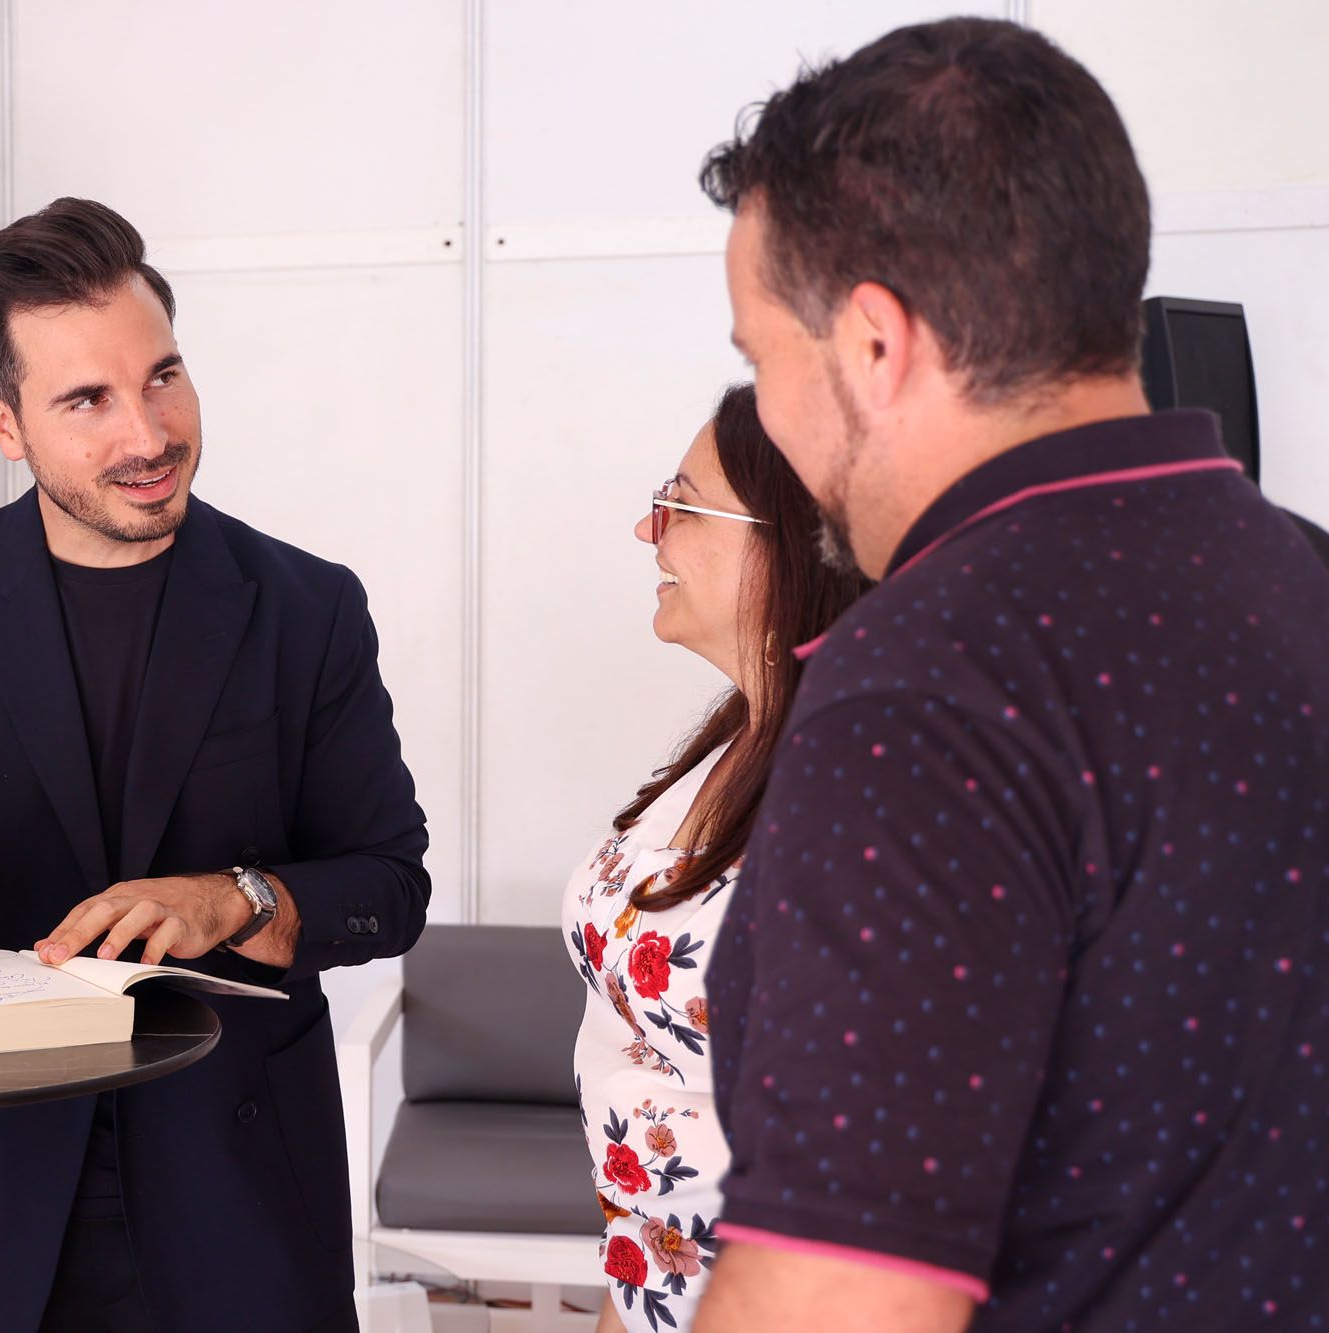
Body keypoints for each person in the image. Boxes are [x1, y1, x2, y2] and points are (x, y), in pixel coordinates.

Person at [689, 17, 1329, 1331]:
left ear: (875, 340)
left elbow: (836, 1303)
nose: (769, 412)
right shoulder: (1308, 578)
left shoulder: (928, 684)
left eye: (762, 362)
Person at [0, 197, 429, 1333]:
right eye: (88, 400)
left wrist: (237, 898)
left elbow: (389, 886)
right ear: (3, 422)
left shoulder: (307, 609)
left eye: (162, 377)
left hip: (241, 1200)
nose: (147, 432)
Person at [565, 384, 865, 1332]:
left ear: (789, 540)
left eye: (682, 502)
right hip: (659, 1282)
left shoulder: (866, 790)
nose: (648, 527)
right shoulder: (742, 735)